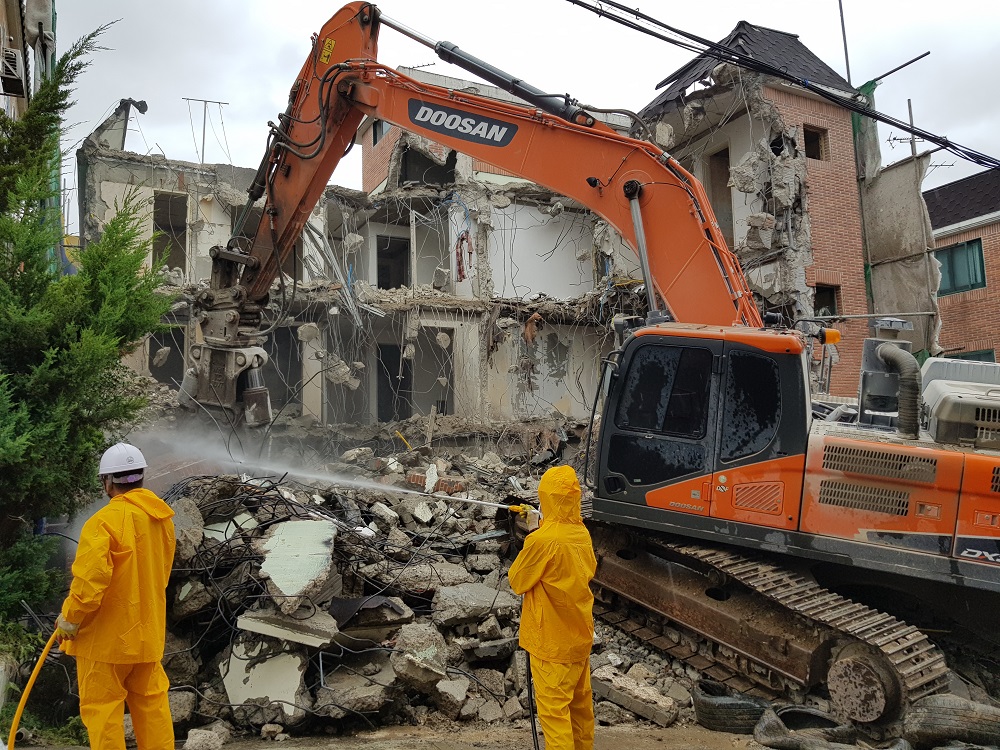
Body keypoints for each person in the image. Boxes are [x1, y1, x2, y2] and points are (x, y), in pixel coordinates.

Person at [54, 443, 176, 750]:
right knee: (152, 708)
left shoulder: (102, 523)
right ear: (141, 478)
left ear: (107, 482)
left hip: (104, 642)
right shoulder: (161, 520)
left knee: (103, 712)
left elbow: (89, 586)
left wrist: (69, 621)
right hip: (146, 636)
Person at [508, 465, 597, 750]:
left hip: (551, 646)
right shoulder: (581, 534)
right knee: (580, 712)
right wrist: (544, 524)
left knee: (555, 717)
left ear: (545, 497)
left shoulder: (542, 541)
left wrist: (533, 531)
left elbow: (518, 581)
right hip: (578, 640)